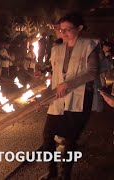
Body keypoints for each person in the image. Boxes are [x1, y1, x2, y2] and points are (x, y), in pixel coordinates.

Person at [39, 13, 101, 180]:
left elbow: (92, 72)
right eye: (61, 30)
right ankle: (52, 171)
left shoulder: (89, 45)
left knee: (70, 140)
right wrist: (45, 92)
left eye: (68, 29)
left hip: (79, 99)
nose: (63, 33)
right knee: (47, 135)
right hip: (58, 98)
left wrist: (69, 84)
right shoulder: (56, 48)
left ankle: (65, 175)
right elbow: (55, 73)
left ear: (79, 28)